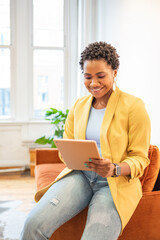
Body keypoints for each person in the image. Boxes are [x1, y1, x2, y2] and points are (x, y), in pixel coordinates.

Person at [20, 42, 151, 240]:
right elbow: (66, 147)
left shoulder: (134, 106)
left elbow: (141, 158)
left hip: (114, 183)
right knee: (32, 225)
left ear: (115, 73)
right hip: (80, 176)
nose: (94, 83)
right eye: (88, 77)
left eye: (101, 76)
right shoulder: (79, 107)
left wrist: (114, 168)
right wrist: (70, 156)